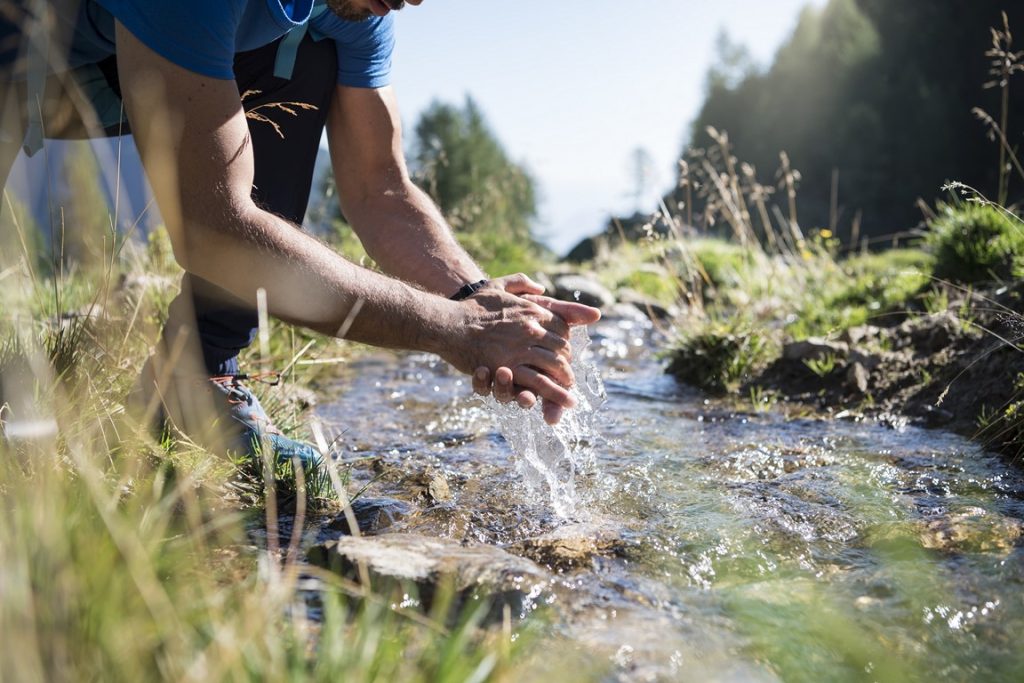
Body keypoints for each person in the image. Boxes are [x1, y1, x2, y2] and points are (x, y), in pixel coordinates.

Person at [0, 0, 600, 463]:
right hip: (25, 55)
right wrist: (454, 331)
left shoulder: (354, 6)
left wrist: (478, 300)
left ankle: (193, 382)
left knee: (311, 49)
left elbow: (381, 189)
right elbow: (217, 230)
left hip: (113, 53)